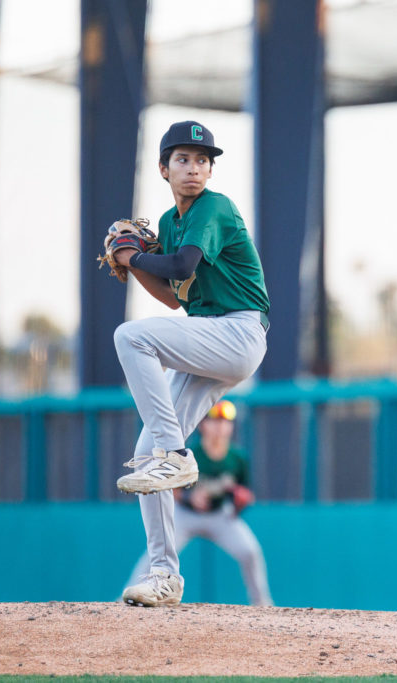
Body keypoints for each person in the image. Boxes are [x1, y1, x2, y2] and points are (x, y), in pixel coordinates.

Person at [109, 120, 270, 607]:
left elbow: (179, 267)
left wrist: (132, 255)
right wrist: (133, 262)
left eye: (203, 160)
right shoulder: (172, 221)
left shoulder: (214, 207)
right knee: (145, 453)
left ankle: (178, 456)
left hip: (239, 331)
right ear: (163, 168)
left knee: (129, 335)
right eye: (183, 159)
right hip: (208, 335)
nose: (195, 168)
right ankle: (164, 577)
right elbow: (176, 298)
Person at [124, 400, 274, 607]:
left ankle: (262, 603)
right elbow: (171, 488)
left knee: (250, 551)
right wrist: (189, 497)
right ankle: (127, 600)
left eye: (225, 422)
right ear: (203, 425)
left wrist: (242, 499)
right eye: (215, 421)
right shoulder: (191, 453)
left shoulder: (237, 458)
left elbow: (245, 493)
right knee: (157, 554)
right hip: (185, 516)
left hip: (220, 515)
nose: (221, 427)